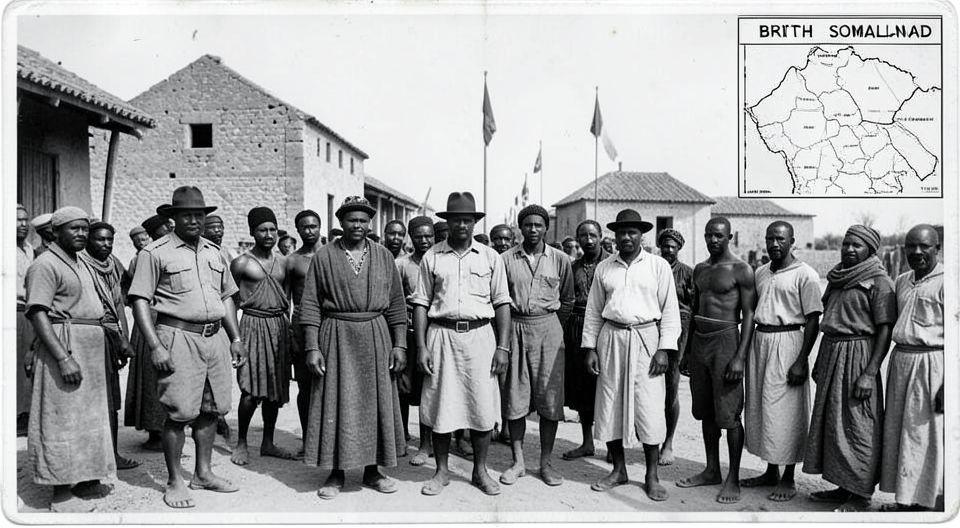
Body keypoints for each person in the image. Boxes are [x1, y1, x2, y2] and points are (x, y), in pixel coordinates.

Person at [129, 186, 247, 508]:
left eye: (199, 214)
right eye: (187, 215)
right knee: (179, 412)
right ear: (173, 218)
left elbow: (227, 297)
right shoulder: (154, 253)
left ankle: (203, 473)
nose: (194, 220)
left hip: (215, 338)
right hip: (177, 337)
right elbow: (140, 299)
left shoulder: (214, 252)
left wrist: (235, 338)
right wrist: (155, 345)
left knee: (212, 408)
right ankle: (174, 480)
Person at [300, 196, 407, 500]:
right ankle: (336, 472)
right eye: (351, 220)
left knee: (376, 403)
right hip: (337, 337)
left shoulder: (384, 256)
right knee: (337, 402)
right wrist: (312, 347)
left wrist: (400, 344)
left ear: (369, 223)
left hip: (376, 335)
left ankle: (373, 470)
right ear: (341, 223)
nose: (357, 225)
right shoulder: (324, 257)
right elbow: (309, 305)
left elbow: (397, 305)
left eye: (363, 220)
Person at [411, 191, 512, 497]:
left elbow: (502, 304)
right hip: (441, 335)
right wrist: (421, 346)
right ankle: (441, 472)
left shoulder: (490, 256)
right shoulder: (432, 256)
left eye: (467, 220)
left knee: (481, 405)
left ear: (474, 222)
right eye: (456, 220)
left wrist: (503, 347)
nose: (462, 226)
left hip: (481, 337)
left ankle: (480, 471)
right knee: (442, 403)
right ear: (448, 222)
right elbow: (420, 304)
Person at [581, 209, 680, 502]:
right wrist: (589, 348)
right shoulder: (605, 268)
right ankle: (619, 469)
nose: (626, 237)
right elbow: (593, 311)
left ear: (641, 235)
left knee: (648, 405)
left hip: (646, 337)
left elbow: (671, 311)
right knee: (610, 402)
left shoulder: (658, 266)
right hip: (611, 337)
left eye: (632, 232)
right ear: (614, 235)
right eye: (621, 232)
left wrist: (664, 349)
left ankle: (651, 475)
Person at [25, 206, 115, 512]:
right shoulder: (45, 265)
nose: (81, 235)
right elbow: (38, 313)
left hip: (88, 349)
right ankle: (61, 490)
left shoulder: (80, 262)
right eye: (74, 229)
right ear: (56, 231)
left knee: (88, 418)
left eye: (84, 229)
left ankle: (86, 477)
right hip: (65, 346)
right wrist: (62, 357)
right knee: (61, 418)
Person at [802, 224, 895, 512]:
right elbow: (831, 318)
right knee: (833, 423)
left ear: (870, 249)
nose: (849, 249)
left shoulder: (879, 282)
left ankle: (860, 493)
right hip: (832, 352)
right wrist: (820, 361)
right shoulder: (838, 277)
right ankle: (842, 486)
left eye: (857, 245)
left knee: (859, 425)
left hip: (859, 355)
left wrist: (869, 372)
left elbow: (885, 329)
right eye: (846, 244)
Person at [740, 222, 822, 502]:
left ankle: (788, 477)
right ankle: (770, 470)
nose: (774, 244)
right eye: (770, 239)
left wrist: (802, 360)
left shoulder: (805, 274)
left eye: (780, 239)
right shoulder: (760, 272)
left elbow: (813, 318)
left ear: (792, 241)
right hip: (760, 342)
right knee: (763, 408)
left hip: (788, 343)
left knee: (786, 411)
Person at [677, 217, 756, 504]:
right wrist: (687, 351)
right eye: (709, 235)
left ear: (729, 237)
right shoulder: (700, 269)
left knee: (729, 414)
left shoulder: (741, 269)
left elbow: (748, 315)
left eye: (719, 236)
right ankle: (712, 469)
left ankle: (732, 477)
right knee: (706, 410)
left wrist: (739, 357)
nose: (713, 240)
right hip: (700, 342)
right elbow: (696, 308)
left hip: (726, 340)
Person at [500, 204, 574, 487]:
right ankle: (518, 461)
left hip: (548, 329)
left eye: (538, 225)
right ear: (520, 227)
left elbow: (567, 299)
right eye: (528, 225)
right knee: (515, 397)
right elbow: (500, 300)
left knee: (550, 399)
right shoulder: (506, 259)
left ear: (546, 228)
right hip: (515, 327)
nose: (533, 229)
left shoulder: (560, 259)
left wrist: (552, 326)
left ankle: (545, 462)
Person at [880, 224, 943, 511]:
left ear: (937, 248)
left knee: (925, 435)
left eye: (924, 246)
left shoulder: (947, 281)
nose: (916, 252)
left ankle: (929, 502)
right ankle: (905, 500)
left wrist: (949, 382)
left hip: (933, 365)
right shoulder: (902, 280)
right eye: (911, 246)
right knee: (899, 433)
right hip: (901, 362)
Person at [230, 207, 297, 465]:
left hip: (278, 327)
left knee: (275, 387)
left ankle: (268, 442)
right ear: (252, 232)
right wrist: (235, 338)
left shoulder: (283, 262)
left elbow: (287, 298)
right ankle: (242, 442)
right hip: (252, 326)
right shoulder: (242, 263)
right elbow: (230, 302)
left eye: (272, 229)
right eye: (262, 230)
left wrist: (288, 330)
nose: (268, 234)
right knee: (249, 389)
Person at [79, 221, 141, 470]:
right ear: (88, 241)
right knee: (91, 398)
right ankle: (90, 458)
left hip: (113, 333)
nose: (105, 244)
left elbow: (123, 295)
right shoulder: (80, 264)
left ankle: (113, 454)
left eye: (109, 240)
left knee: (112, 399)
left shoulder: (113, 263)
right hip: (90, 334)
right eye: (100, 240)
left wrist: (122, 336)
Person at [123, 216, 173, 452]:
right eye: (166, 228)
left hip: (171, 321)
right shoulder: (146, 256)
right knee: (151, 376)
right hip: (150, 321)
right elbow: (131, 292)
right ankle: (155, 431)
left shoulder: (172, 251)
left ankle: (170, 428)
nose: (171, 229)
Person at [561, 220, 609, 461]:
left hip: (605, 327)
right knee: (581, 389)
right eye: (583, 235)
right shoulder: (572, 267)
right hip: (576, 327)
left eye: (592, 235)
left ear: (601, 236)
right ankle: (587, 442)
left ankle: (613, 446)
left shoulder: (612, 264)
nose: (588, 240)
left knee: (607, 386)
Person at [395, 216, 435, 466]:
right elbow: (395, 302)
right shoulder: (401, 264)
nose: (423, 240)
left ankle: (426, 444)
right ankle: (400, 438)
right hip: (408, 330)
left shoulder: (441, 261)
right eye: (418, 236)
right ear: (411, 237)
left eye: (428, 236)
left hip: (434, 332)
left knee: (428, 389)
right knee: (403, 386)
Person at [655, 228, 694, 466]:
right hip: (652, 330)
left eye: (673, 246)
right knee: (647, 386)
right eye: (665, 245)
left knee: (671, 387)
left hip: (679, 333)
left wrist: (688, 348)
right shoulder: (652, 268)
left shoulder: (688, 273)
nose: (668, 249)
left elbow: (694, 308)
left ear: (679, 248)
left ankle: (668, 443)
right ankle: (648, 440)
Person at [285, 209, 322, 454]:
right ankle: (309, 439)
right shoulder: (293, 260)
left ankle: (329, 439)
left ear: (320, 227)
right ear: (298, 231)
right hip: (301, 323)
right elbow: (286, 299)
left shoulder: (333, 254)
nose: (309, 231)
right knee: (305, 386)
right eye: (304, 227)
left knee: (331, 383)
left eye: (313, 226)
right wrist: (291, 334)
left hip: (329, 322)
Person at [16, 205, 35, 436]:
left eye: (25, 219)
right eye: (17, 220)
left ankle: (27, 413)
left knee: (29, 364)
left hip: (30, 311)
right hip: (13, 311)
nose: (23, 224)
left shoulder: (30, 249)